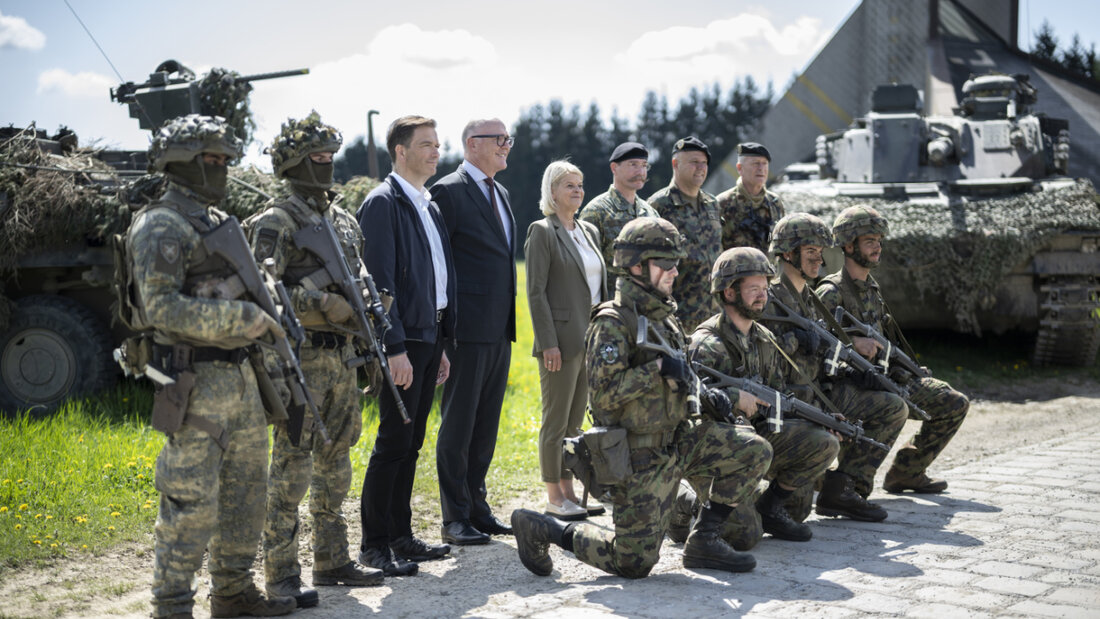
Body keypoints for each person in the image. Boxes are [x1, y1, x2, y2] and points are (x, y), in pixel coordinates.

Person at [511, 218, 772, 579]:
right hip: (639, 456)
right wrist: (658, 369)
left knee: (754, 453)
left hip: (679, 441)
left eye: (675, 263)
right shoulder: (614, 322)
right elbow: (602, 398)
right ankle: (547, 529)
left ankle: (703, 537)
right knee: (632, 564)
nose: (674, 272)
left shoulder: (665, 317)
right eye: (665, 264)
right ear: (635, 266)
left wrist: (708, 395)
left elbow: (681, 378)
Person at [126, 114, 293, 618]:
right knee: (190, 499)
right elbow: (161, 309)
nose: (220, 169)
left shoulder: (220, 223)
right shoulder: (161, 224)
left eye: (225, 160)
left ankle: (233, 592)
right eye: (211, 160)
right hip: (193, 379)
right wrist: (245, 318)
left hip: (242, 378)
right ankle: (172, 603)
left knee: (248, 493)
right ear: (182, 164)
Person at [245, 112, 382, 608]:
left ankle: (332, 561)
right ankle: (281, 576)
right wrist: (318, 304)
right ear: (293, 162)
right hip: (299, 363)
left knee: (337, 464)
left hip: (343, 361)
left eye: (329, 156)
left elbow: (360, 281)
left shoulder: (342, 219)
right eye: (315, 158)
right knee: (291, 471)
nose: (325, 164)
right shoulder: (275, 221)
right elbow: (258, 291)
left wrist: (369, 317)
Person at [688, 247, 840, 549]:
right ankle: (683, 506)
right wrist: (734, 397)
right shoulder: (706, 344)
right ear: (729, 293)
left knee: (824, 446)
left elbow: (779, 394)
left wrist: (821, 418)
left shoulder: (764, 339)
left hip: (755, 440)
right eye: (754, 289)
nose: (763, 296)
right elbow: (690, 406)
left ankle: (768, 508)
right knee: (744, 536)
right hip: (712, 451)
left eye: (765, 289)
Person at [357, 115, 456, 576]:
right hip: (404, 339)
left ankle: (400, 535)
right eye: (425, 145)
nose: (436, 151)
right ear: (400, 151)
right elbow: (377, 284)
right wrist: (394, 347)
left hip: (429, 335)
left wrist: (443, 343)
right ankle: (375, 545)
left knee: (412, 442)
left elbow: (438, 277)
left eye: (437, 144)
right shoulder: (383, 203)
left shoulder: (429, 204)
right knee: (393, 442)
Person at [762, 213, 907, 522]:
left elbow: (827, 353)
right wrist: (793, 340)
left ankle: (843, 489)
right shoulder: (769, 299)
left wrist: (853, 372)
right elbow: (760, 355)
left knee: (893, 406)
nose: (818, 259)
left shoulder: (810, 299)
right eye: (810, 252)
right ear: (788, 253)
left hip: (818, 392)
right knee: (795, 512)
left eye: (820, 251)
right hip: (784, 402)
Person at [817, 206, 970, 494]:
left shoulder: (871, 288)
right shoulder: (831, 291)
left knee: (954, 402)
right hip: (851, 388)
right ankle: (846, 483)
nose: (877, 247)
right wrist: (852, 346)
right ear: (849, 246)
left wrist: (907, 368)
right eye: (869, 241)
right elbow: (815, 345)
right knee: (890, 408)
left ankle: (907, 471)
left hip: (886, 378)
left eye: (879, 240)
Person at [430, 118, 517, 545]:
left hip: (499, 329)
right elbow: (438, 265)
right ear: (471, 145)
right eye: (498, 139)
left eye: (508, 139)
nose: (506, 145)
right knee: (458, 427)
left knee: (485, 427)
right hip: (465, 331)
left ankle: (478, 509)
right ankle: (454, 517)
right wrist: (443, 334)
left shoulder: (500, 191)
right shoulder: (447, 190)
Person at [524, 160, 608, 521]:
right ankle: (554, 495)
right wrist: (548, 343)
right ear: (552, 192)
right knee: (556, 421)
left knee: (575, 423)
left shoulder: (588, 230)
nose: (578, 190)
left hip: (591, 339)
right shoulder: (542, 231)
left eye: (580, 184)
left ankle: (571, 491)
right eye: (569, 185)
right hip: (560, 340)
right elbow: (535, 291)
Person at [648, 136, 722, 332]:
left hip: (715, 316)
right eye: (694, 162)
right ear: (675, 164)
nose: (700, 168)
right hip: (677, 317)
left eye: (704, 163)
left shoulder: (713, 204)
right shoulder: (658, 206)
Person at [578, 142, 659, 268]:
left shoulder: (650, 212)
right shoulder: (596, 211)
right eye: (633, 164)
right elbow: (584, 265)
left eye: (644, 165)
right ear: (614, 168)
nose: (641, 171)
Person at [716, 142, 785, 252]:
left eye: (765, 163)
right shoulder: (723, 203)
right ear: (740, 168)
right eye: (756, 163)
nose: (761, 168)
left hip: (768, 268)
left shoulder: (774, 203)